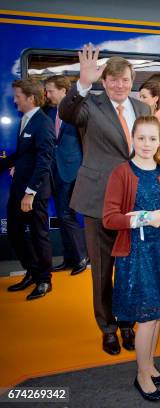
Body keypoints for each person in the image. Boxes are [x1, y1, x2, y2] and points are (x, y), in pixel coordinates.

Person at [59, 44, 152, 355]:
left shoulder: (142, 109)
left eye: (124, 79)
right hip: (98, 199)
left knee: (129, 266)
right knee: (102, 268)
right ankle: (108, 327)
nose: (119, 85)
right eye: (112, 79)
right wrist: (82, 83)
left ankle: (127, 322)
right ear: (103, 80)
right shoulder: (90, 105)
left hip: (134, 201)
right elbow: (67, 112)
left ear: (132, 80)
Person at [103, 116, 160, 401]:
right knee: (147, 318)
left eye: (152, 138)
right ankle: (141, 374)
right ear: (133, 140)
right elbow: (110, 218)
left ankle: (149, 363)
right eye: (141, 138)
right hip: (135, 255)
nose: (147, 144)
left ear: (159, 141)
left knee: (159, 314)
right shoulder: (121, 173)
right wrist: (141, 218)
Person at [1, 79, 54, 300]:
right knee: (14, 233)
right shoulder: (26, 120)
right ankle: (32, 272)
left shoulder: (43, 123)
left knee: (39, 236)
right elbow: (24, 155)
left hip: (33, 193)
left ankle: (44, 281)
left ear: (31, 98)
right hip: (19, 189)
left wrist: (30, 193)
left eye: (18, 96)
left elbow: (44, 161)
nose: (15, 100)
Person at [43, 75, 89, 275]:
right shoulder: (52, 111)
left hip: (73, 169)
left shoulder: (78, 110)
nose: (47, 94)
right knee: (62, 215)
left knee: (66, 214)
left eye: (51, 90)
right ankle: (70, 258)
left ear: (64, 90)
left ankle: (81, 257)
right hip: (56, 169)